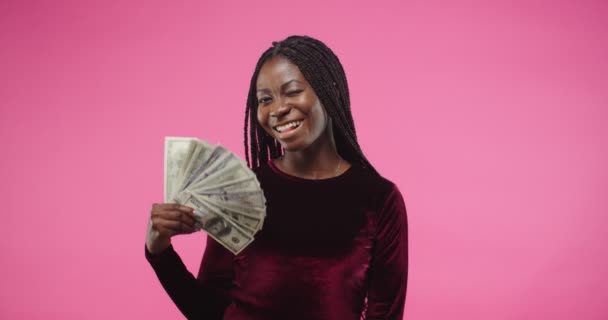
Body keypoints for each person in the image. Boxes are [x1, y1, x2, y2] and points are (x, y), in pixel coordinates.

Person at [146, 35, 409, 320]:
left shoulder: (379, 200)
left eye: (293, 91)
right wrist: (159, 254)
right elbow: (210, 312)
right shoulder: (239, 194)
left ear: (330, 89)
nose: (278, 109)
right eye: (265, 100)